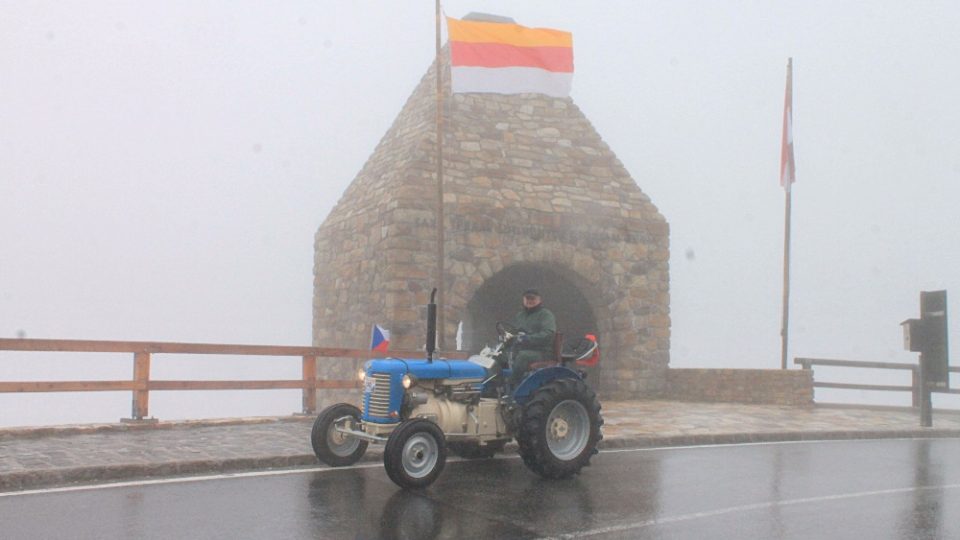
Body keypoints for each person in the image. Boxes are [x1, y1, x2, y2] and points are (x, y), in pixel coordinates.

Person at [507, 288, 557, 386]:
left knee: (523, 357)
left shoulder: (546, 315)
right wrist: (508, 338)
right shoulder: (520, 315)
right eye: (527, 298)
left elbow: (548, 334)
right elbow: (513, 332)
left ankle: (512, 386)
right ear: (523, 300)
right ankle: (493, 388)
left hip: (542, 352)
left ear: (539, 300)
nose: (530, 301)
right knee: (499, 356)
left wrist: (527, 338)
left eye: (533, 298)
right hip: (520, 349)